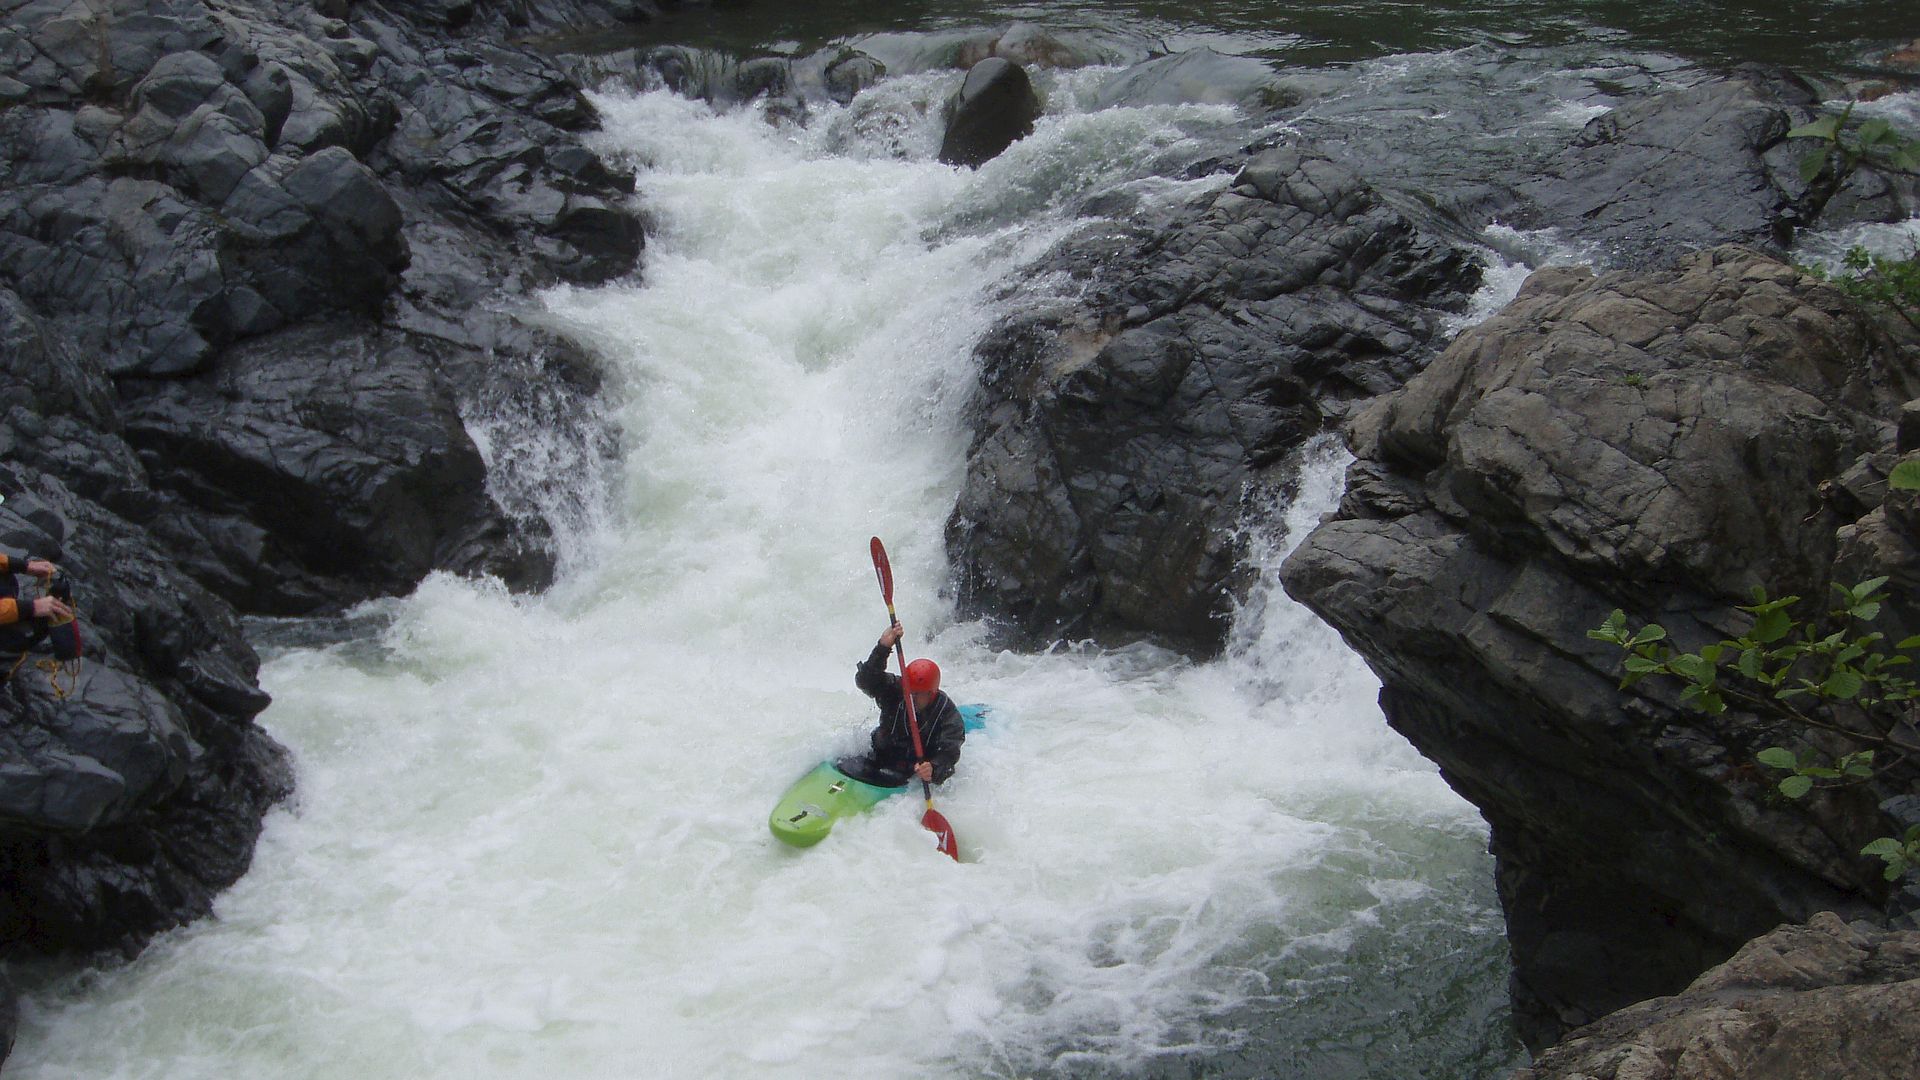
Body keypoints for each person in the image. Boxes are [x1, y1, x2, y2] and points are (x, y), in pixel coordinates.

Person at [851, 622, 964, 787]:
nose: (911, 698)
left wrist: (933, 768)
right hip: (883, 754)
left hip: (914, 768)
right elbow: (865, 680)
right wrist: (882, 648)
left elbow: (949, 753)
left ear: (931, 693)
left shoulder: (947, 714)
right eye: (910, 692)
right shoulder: (897, 689)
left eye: (918, 695)